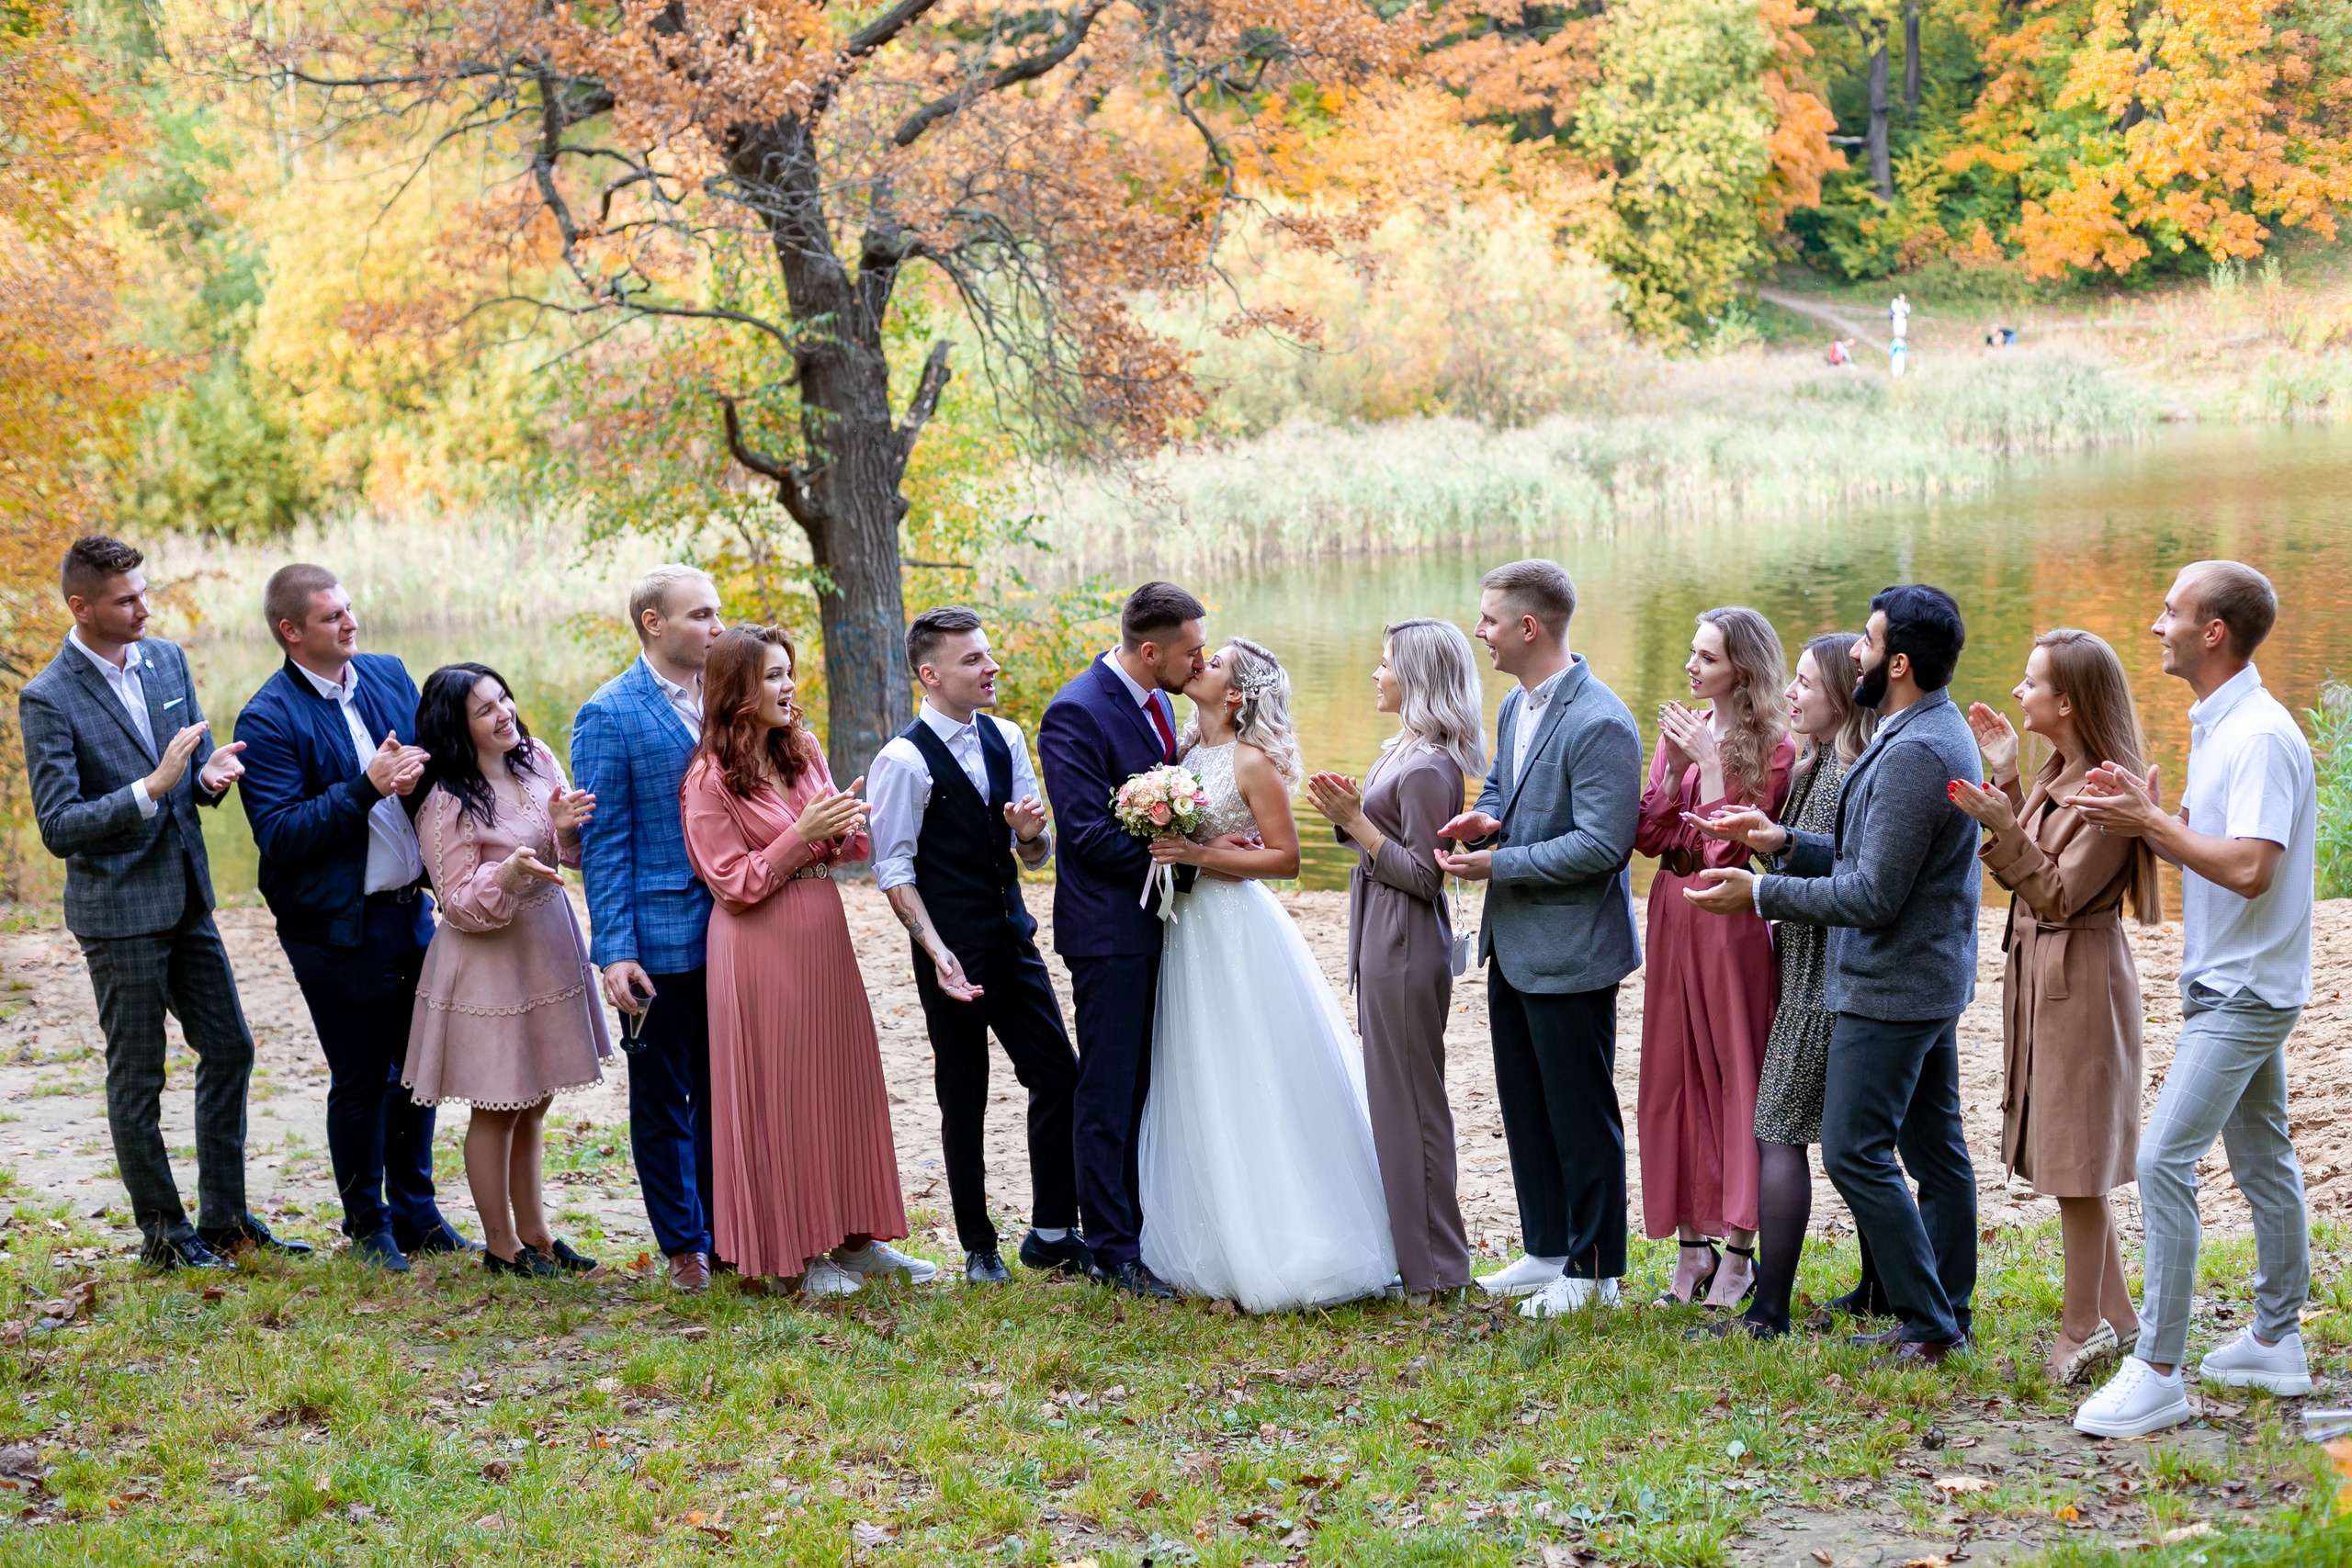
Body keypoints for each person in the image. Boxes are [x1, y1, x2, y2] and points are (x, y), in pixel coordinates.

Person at [1685, 585, 1983, 1367]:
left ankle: (1931, 1322)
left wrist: (1761, 890)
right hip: (1920, 978)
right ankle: (1945, 1304)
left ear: (1901, 663)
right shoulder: (1918, 727)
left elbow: (1873, 895)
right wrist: (1784, 838)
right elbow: (1866, 860)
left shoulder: (1918, 749)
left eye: (1870, 641)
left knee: (1855, 1149)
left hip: (1893, 986)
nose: (1856, 649)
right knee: (1935, 1149)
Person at [2070, 562, 2318, 1438]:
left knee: (2161, 1160)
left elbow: (2253, 867)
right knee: (2262, 1156)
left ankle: (2159, 1368)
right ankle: (2277, 1340)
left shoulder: (2258, 735)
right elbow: (2219, 849)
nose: (2154, 624)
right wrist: (2150, 816)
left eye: (2170, 611)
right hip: (2234, 978)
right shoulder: (2220, 723)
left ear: (2214, 632)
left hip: (2248, 989)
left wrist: (2151, 827)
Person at [17, 536, 301, 1270]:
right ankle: (165, 1235)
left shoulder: (168, 659)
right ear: (81, 608)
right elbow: (57, 825)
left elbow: (187, 777)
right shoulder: (46, 697)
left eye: (144, 592)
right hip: (117, 913)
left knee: (231, 1047)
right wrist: (152, 784)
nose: (145, 607)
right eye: (126, 599)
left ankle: (227, 1219)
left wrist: (206, 776)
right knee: (139, 1075)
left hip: (187, 897)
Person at [1139, 638, 1396, 1311]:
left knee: (1251, 1067)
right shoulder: (1186, 752)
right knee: (1201, 1071)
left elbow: (1285, 859)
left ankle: (1290, 1240)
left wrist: (1199, 851)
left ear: (1236, 694)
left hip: (1234, 931)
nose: (1199, 662)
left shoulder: (1252, 761)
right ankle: (1213, 1233)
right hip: (1188, 931)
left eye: (1215, 661)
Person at [681, 626, 931, 1296]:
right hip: (758, 945)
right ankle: (797, 1253)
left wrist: (844, 825)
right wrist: (802, 835)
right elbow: (732, 881)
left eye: (789, 673)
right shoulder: (708, 778)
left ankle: (855, 1240)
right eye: (771, 677)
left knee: (839, 1081)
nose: (787, 687)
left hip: (822, 932)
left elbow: (839, 847)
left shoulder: (803, 748)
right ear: (736, 689)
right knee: (784, 1094)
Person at [233, 563, 469, 1269]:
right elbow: (281, 833)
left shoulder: (390, 674)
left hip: (411, 911)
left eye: (348, 609)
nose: (349, 621)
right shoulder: (267, 716)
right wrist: (365, 787)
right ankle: (368, 1224)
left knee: (419, 1070)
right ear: (291, 630)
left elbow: (439, 772)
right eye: (331, 615)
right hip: (336, 927)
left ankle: (418, 1213)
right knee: (364, 1075)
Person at [1436, 559, 1645, 1321]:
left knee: (1580, 1112)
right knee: (1525, 1102)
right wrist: (1481, 818)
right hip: (1514, 940)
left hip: (1574, 946)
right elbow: (1506, 789)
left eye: (1489, 619)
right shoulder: (1514, 706)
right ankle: (1547, 1248)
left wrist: (1499, 862)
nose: (1479, 631)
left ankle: (1596, 1272)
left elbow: (1603, 845)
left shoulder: (1601, 721)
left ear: (1529, 627)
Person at [1951, 630, 2158, 1383]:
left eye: (2031, 681)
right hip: (2046, 975)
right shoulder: (2058, 772)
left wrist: (2002, 822)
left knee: (2078, 1166)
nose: (2017, 692)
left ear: (2067, 702)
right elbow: (2033, 868)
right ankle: (2124, 1318)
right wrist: (2009, 783)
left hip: (2083, 979)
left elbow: (2062, 892)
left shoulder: (2107, 787)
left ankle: (2081, 1330)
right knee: (2071, 1153)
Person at [866, 606, 1090, 1286]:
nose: (991, 667)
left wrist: (1027, 834)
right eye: (973, 660)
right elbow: (894, 869)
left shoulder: (1008, 737)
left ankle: (1052, 1229)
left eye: (988, 655)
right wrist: (936, 951)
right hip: (947, 951)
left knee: (1059, 1074)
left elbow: (1035, 853)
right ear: (930, 674)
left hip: (1012, 941)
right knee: (963, 1096)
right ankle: (977, 1244)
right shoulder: (901, 760)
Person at [1036, 582, 1216, 1300]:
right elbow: (1084, 836)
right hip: (1109, 932)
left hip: (1158, 925)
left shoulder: (1161, 704)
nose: (1200, 660)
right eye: (1191, 650)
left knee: (1148, 1086)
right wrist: (1195, 859)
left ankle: (1143, 1228)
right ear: (1151, 651)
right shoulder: (1074, 711)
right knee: (1109, 1092)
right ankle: (1111, 1249)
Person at [404, 664, 610, 1278]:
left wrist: (568, 829)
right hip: (490, 960)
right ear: (457, 728)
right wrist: (510, 874)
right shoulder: (446, 801)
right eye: (486, 709)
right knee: (500, 1100)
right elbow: (459, 901)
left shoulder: (538, 758)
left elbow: (565, 849)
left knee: (537, 1096)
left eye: (504, 697)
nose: (505, 713)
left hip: (546, 943)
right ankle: (501, 1245)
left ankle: (539, 1236)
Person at [1306, 619, 1486, 1306]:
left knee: (1413, 1103)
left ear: (1416, 677)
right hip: (1380, 929)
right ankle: (1417, 1258)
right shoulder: (1402, 750)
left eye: (1385, 665)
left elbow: (1425, 875)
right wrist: (1349, 811)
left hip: (1407, 937)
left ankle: (1440, 1267)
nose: (1376, 675)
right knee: (1393, 1099)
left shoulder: (1434, 765)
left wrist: (1356, 820)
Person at [1634, 608, 1794, 1310]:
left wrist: (1707, 761)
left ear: (1743, 669)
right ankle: (1690, 1245)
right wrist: (1673, 767)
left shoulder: (1776, 745)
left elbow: (1737, 848)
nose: (1692, 667)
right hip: (1673, 908)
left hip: (1729, 917)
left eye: (1707, 657)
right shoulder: (1685, 729)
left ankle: (1738, 1252)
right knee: (1671, 1076)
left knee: (1735, 1076)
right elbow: (1650, 832)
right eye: (1692, 653)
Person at [572, 566, 726, 1292]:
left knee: (727, 1090)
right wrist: (616, 951)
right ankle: (684, 1243)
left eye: (718, 614)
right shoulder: (608, 713)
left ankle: (731, 1228)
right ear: (653, 623)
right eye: (700, 615)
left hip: (738, 927)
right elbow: (606, 845)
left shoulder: (729, 694)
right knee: (665, 1098)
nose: (717, 628)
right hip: (659, 937)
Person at [1733, 633, 1875, 1339]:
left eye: (1806, 684)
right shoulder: (1818, 765)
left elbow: (1835, 881)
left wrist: (1760, 886)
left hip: (1822, 978)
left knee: (1779, 1128)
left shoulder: (1847, 773)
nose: (1791, 692)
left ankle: (1769, 1311)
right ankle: (1877, 1284)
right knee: (1860, 1142)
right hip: (1808, 970)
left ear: (1842, 699)